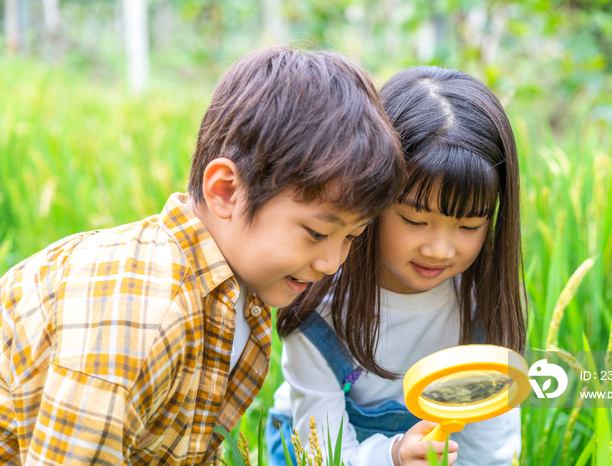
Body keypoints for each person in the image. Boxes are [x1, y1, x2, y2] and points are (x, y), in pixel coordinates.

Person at [0, 46, 405, 465]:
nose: (331, 263)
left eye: (351, 238)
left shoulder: (237, 296)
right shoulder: (145, 310)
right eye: (317, 233)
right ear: (226, 191)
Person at [268, 66, 526, 466]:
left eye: (469, 225)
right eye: (415, 221)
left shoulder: (483, 308)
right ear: (372, 196)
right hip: (317, 447)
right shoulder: (320, 305)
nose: (440, 250)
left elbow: (489, 447)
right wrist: (392, 455)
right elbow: (323, 453)